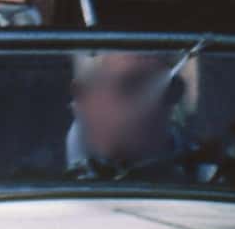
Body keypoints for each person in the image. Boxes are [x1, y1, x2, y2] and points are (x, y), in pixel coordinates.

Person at [55, 48, 212, 183]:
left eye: (169, 89)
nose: (151, 104)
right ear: (86, 96)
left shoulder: (206, 172)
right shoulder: (45, 168)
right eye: (131, 86)